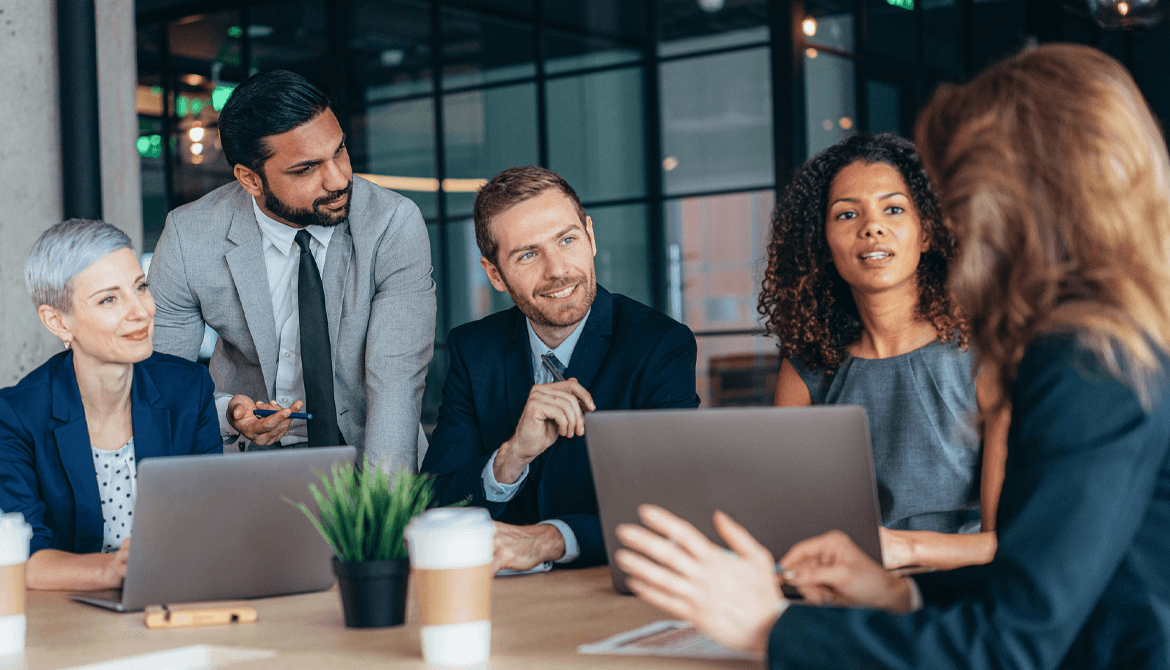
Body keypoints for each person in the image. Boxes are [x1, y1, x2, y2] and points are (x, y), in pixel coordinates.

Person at [615, 43, 1170, 668]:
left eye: (965, 187)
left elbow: (1011, 645)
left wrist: (771, 627)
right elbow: (1042, 582)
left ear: (1031, 194)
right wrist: (897, 593)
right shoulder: (1110, 341)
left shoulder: (1090, 362)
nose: (956, 220)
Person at [148, 70, 435, 472]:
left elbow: (396, 385)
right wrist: (228, 414)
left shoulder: (392, 223)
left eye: (339, 151)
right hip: (242, 465)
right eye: (306, 169)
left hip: (368, 456)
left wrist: (380, 518)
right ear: (250, 179)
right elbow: (160, 382)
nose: (339, 178)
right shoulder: (190, 236)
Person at [422, 166, 700, 572]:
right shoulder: (474, 350)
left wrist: (548, 540)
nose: (556, 270)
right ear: (495, 274)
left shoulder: (658, 345)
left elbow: (672, 509)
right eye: (528, 254)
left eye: (567, 240)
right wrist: (512, 456)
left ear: (590, 236)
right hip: (507, 605)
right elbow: (434, 506)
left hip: (611, 592)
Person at [758, 133, 1010, 571]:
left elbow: (1006, 542)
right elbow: (792, 525)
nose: (871, 226)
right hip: (850, 590)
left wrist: (904, 549)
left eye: (893, 209)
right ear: (822, 243)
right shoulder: (805, 370)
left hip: (965, 595)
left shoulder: (985, 354)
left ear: (927, 231)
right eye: (847, 214)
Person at [0, 220, 221, 591]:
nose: (140, 312)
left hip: (174, 599)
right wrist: (115, 569)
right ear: (57, 321)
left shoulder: (188, 388)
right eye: (109, 299)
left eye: (140, 288)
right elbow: (23, 558)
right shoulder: (16, 415)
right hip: (65, 620)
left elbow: (211, 521)